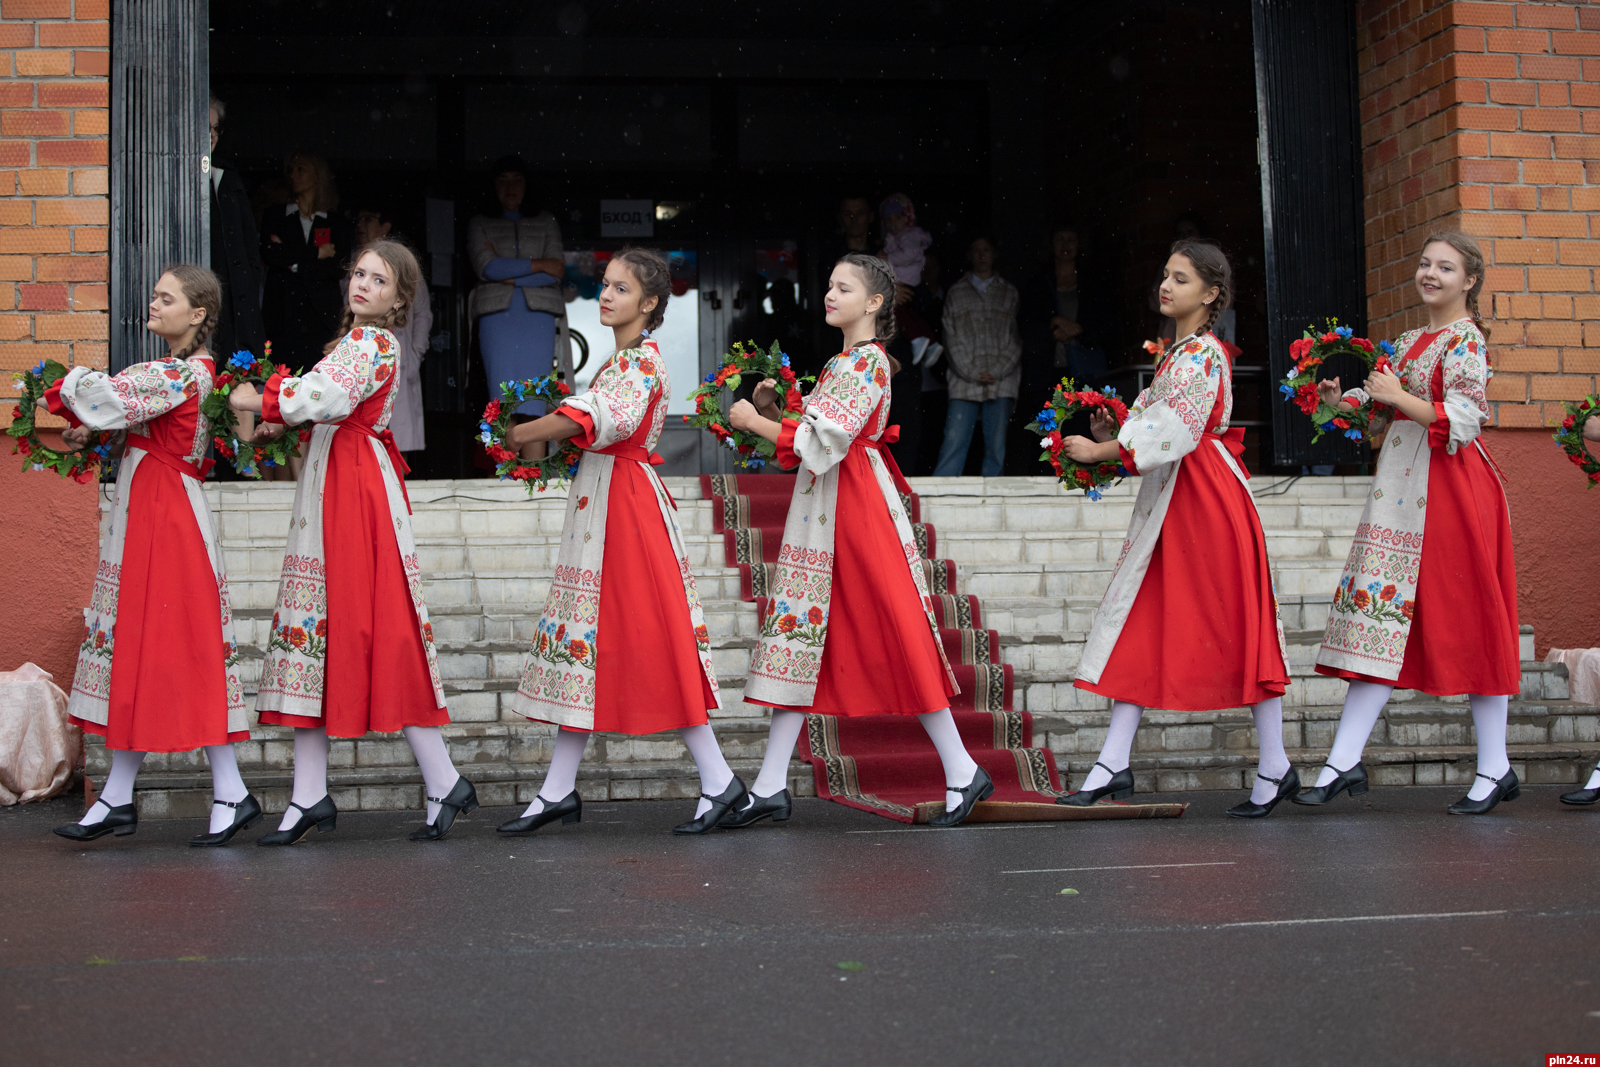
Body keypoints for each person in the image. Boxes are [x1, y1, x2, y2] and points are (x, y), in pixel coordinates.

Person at [723, 252, 992, 829]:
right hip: (836, 506)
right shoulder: (847, 362)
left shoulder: (866, 363)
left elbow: (826, 441)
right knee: (803, 633)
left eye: (842, 287)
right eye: (829, 284)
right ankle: (771, 782)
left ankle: (963, 768)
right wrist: (776, 412)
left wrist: (755, 422)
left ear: (874, 303)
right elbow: (816, 436)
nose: (830, 294)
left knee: (893, 629)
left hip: (856, 510)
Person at [228, 240, 477, 843]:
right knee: (323, 629)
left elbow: (322, 398)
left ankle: (428, 780)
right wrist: (273, 419)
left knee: (355, 625)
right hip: (337, 473)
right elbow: (320, 403)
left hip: (353, 486)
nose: (362, 284)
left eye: (379, 280)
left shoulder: (371, 343)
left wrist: (259, 395)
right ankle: (327, 792)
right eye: (359, 273)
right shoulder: (354, 344)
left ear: (400, 299)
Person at [495, 248, 741, 836]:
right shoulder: (623, 361)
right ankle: (561, 789)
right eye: (604, 285)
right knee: (588, 639)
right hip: (607, 499)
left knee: (645, 637)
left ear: (650, 303)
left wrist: (524, 432)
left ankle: (717, 779)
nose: (605, 296)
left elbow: (602, 417)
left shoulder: (639, 364)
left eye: (620, 289)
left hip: (625, 507)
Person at [1054, 240, 1294, 818]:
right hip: (1181, 497)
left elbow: (1174, 431)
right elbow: (1159, 427)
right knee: (1143, 615)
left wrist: (1099, 448)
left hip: (1205, 501)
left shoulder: (1201, 354)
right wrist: (1123, 428)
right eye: (1165, 275)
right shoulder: (1181, 353)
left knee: (1238, 625)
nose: (1166, 285)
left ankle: (1276, 764)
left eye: (1181, 279)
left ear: (1210, 294)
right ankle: (1114, 762)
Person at [1296, 231, 1521, 816]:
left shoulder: (1466, 341)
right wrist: (1339, 401)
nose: (1430, 274)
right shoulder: (1411, 338)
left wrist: (1397, 393)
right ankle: (1344, 759)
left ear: (1469, 281)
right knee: (1377, 615)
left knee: (1469, 620)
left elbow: (1467, 420)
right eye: (1425, 264)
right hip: (1401, 493)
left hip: (1451, 494)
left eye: (1445, 267)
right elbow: (1384, 410)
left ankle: (1495, 765)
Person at [45, 265, 256, 846]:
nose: (154, 303)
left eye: (168, 298)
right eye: (155, 294)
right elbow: (130, 418)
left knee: (172, 645)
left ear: (197, 314)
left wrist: (60, 387)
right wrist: (101, 432)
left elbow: (108, 397)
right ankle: (124, 796)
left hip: (165, 516)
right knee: (146, 645)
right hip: (155, 508)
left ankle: (227, 792)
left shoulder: (180, 372)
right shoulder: (191, 371)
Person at [468, 155, 565, 461]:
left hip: (537, 320)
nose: (510, 187)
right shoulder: (480, 222)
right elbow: (486, 267)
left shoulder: (546, 221)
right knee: (502, 399)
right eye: (502, 180)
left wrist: (507, 271)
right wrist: (538, 265)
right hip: (497, 320)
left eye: (517, 179)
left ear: (528, 185)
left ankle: (534, 474)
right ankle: (507, 472)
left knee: (535, 399)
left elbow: (558, 269)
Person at [1015, 224, 1105, 473]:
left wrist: (1079, 330)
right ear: (1050, 245)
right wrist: (1054, 325)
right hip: (1046, 369)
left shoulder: (1091, 282)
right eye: (1059, 239)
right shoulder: (1038, 282)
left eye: (1071, 239)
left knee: (1082, 425)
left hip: (1082, 370)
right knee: (1046, 431)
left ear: (1080, 245)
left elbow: (1106, 325)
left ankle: (1081, 478)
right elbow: (1025, 325)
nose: (1065, 245)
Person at [934, 235, 1022, 477]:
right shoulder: (956, 292)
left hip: (1001, 380)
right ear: (969, 256)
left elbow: (1016, 338)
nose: (982, 255)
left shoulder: (1009, 292)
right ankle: (940, 498)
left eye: (986, 250)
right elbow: (951, 338)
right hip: (964, 380)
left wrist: (996, 371)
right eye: (976, 250)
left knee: (997, 446)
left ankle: (992, 502)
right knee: (954, 441)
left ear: (994, 254)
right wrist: (973, 372)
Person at [261, 150, 352, 371]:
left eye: (301, 169)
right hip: (283, 314)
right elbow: (270, 255)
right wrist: (316, 254)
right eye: (291, 170)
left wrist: (293, 264)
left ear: (317, 176)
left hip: (321, 318)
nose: (293, 175)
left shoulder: (335, 222)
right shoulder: (276, 215)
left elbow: (338, 267)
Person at [351, 199, 430, 453]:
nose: (361, 225)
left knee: (398, 438)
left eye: (368, 218)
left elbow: (422, 315)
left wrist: (415, 354)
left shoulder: (404, 267)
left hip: (400, 357)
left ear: (385, 226)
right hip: (361, 357)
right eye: (359, 219)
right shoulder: (356, 265)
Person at [206, 94, 265, 359]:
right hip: (199, 298)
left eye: (215, 128)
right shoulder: (174, 176)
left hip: (235, 301)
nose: (211, 135)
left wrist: (248, 283)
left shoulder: (228, 175)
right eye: (204, 127)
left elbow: (248, 242)